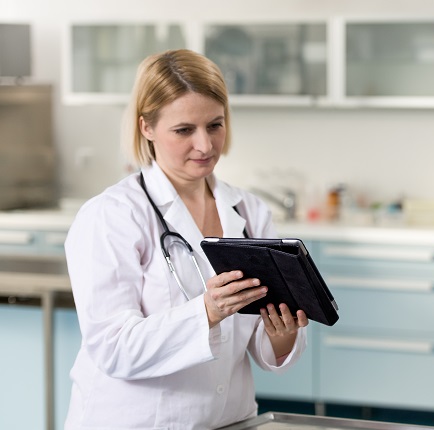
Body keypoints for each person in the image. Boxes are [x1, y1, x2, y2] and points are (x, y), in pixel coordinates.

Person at [64, 49, 308, 429]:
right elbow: (113, 348)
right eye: (184, 130)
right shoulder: (112, 215)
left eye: (215, 125)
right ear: (147, 127)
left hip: (230, 420)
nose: (206, 146)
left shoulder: (247, 211)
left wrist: (282, 333)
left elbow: (263, 347)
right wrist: (207, 312)